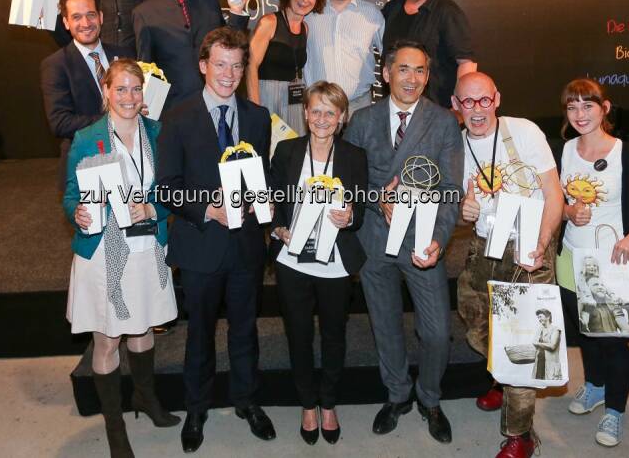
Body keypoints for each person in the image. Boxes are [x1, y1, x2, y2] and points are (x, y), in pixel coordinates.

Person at [155, 27, 275, 453]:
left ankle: (247, 401)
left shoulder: (257, 118)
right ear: (204, 66)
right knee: (200, 334)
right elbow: (166, 187)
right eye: (220, 64)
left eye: (237, 66)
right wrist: (208, 209)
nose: (229, 74)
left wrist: (265, 203)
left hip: (246, 247)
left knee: (245, 330)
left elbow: (263, 177)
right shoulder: (178, 116)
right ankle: (196, 409)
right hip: (200, 245)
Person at [343, 40, 463, 445]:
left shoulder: (443, 122)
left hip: (422, 242)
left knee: (436, 331)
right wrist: (377, 198)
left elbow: (451, 190)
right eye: (404, 69)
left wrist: (439, 240)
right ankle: (397, 394)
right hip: (375, 239)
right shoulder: (362, 120)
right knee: (385, 325)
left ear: (428, 76)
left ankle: (430, 397)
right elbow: (349, 183)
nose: (412, 79)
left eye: (420, 70)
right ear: (386, 73)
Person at [63, 58, 180, 457]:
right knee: (109, 339)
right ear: (106, 92)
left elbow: (171, 191)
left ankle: (145, 397)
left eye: (136, 88)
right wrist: (77, 212)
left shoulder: (159, 133)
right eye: (121, 88)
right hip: (104, 254)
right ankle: (115, 426)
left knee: (144, 326)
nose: (129, 97)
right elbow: (71, 194)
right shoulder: (87, 138)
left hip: (148, 248)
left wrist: (151, 208)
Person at [452, 71, 564, 458]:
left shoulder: (525, 132)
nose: (477, 109)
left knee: (522, 340)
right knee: (476, 318)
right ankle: (503, 378)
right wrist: (463, 211)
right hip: (485, 246)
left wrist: (541, 244)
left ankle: (520, 435)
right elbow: (458, 211)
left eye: (484, 100)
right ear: (456, 105)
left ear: (497, 99)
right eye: (468, 101)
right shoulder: (455, 146)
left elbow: (554, 194)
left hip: (530, 246)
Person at [556, 77, 629, 448]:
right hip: (569, 258)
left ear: (604, 108)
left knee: (614, 341)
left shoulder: (628, 155)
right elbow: (553, 200)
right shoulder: (563, 151)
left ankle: (615, 410)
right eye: (572, 106)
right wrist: (568, 211)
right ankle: (595, 386)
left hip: (611, 262)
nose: (580, 114)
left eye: (587, 105)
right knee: (587, 331)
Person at [269, 81, 367, 445]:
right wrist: (278, 227)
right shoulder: (286, 151)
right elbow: (274, 200)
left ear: (341, 117)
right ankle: (307, 404)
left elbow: (359, 210)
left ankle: (328, 403)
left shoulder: (354, 156)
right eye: (316, 111)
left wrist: (350, 216)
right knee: (298, 335)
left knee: (333, 335)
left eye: (330, 112)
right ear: (305, 114)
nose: (322, 119)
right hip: (293, 260)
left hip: (335, 262)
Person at [133, 0, 250, 111]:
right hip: (173, 108)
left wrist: (237, 11)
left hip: (216, 101)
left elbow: (230, 46)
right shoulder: (144, 13)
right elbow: (146, 67)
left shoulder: (210, 3)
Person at [381, 0, 477, 107]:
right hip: (394, 109)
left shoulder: (448, 12)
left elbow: (467, 63)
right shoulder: (391, 9)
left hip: (437, 110)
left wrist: (459, 106)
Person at [303, 0, 385, 117]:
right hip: (319, 107)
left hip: (360, 106)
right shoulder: (309, 14)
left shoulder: (372, 14)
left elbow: (389, 56)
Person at [41, 0, 108, 187]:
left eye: (91, 15)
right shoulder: (55, 65)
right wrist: (115, 121)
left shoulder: (125, 54)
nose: (85, 23)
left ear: (101, 17)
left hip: (132, 165)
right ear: (66, 23)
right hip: (85, 164)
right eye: (76, 17)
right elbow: (60, 123)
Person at [246, 0, 323, 135]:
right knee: (267, 145)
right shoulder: (269, 22)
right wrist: (256, 108)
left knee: (294, 146)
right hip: (266, 96)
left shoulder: (305, 28)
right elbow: (250, 65)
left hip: (294, 100)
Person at [532, 310, 562, 381]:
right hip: (539, 365)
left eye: (540, 317)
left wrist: (537, 343)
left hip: (551, 366)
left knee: (551, 386)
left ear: (548, 317)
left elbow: (552, 346)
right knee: (537, 385)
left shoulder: (555, 330)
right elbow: (534, 342)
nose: (539, 319)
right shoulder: (540, 330)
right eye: (538, 317)